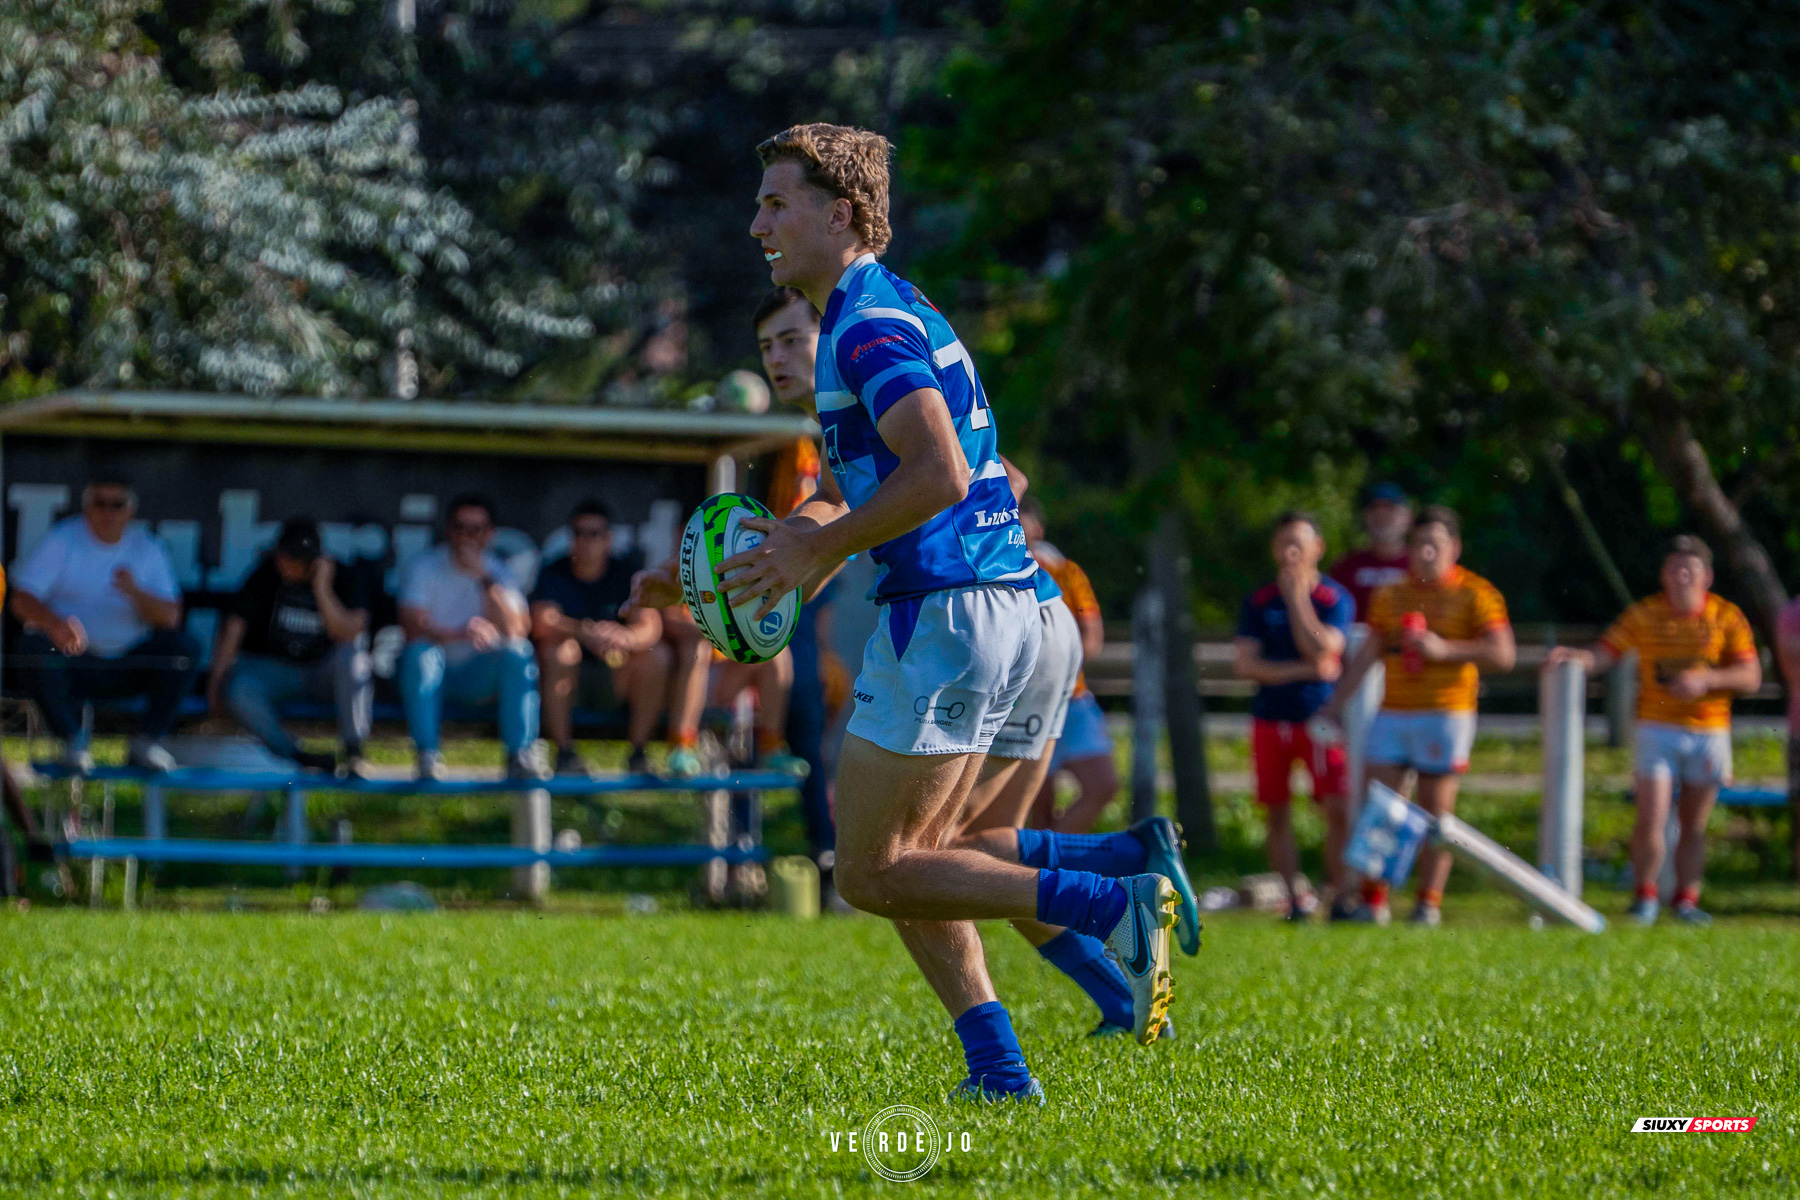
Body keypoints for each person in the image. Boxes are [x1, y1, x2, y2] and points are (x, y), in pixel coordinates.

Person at [630, 122, 1189, 1101]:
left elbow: (941, 471)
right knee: (924, 862)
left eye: (775, 202)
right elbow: (854, 496)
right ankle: (1012, 1053)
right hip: (995, 605)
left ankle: (1112, 899)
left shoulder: (866, 324)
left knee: (873, 873)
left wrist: (818, 547)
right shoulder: (880, 311)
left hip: (946, 611)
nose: (755, 221)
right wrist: (714, 578)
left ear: (838, 213)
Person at [1549, 536, 1760, 925]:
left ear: (1707, 576)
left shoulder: (1727, 617)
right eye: (1674, 569)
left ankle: (1685, 900)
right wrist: (1578, 658)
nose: (1681, 577)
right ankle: (1644, 897)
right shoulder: (1645, 614)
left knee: (1695, 824)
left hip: (1709, 730)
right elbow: (1606, 652)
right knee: (1652, 815)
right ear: (1663, 574)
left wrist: (1707, 679)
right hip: (1657, 727)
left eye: (1690, 570)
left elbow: (1750, 676)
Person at [1327, 505, 1515, 926]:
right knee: (1381, 807)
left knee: (1435, 813)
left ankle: (1427, 903)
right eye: (1419, 544)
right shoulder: (1391, 595)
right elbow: (1370, 652)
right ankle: (1374, 901)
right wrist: (1337, 702)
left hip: (1446, 713)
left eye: (1435, 544)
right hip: (1393, 711)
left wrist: (1445, 650)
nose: (1426, 553)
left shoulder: (1476, 593)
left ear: (1455, 548)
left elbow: (1504, 654)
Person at [10, 471, 199, 772]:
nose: (108, 512)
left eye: (117, 504)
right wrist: (55, 624)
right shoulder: (63, 539)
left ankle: (147, 743)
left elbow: (171, 617)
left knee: (183, 649)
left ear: (131, 510)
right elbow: (21, 599)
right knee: (32, 646)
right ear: (86, 506)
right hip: (75, 663)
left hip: (127, 664)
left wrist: (136, 593)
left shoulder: (147, 548)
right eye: (100, 503)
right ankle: (72, 742)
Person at [753, 286, 841, 880]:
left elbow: (996, 479)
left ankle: (1113, 896)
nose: (776, 358)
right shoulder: (829, 425)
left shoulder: (870, 395)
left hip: (969, 610)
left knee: (891, 862)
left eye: (792, 340)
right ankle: (1124, 871)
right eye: (766, 346)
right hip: (949, 611)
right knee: (886, 864)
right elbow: (835, 508)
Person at [1232, 513, 1355, 920]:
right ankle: (1295, 900)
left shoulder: (1335, 599)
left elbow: (1323, 649)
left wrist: (1299, 599)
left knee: (1335, 807)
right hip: (1270, 718)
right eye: (1283, 544)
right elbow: (1246, 665)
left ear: (1318, 547)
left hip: (1318, 719)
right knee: (1277, 809)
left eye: (1298, 545)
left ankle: (1338, 896)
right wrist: (1303, 669)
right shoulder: (1259, 600)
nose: (1290, 554)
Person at [209, 518, 372, 774]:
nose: (285, 563)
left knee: (355, 661)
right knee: (238, 687)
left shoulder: (343, 575)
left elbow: (349, 633)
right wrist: (215, 680)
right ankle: (295, 755)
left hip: (324, 673)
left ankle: (354, 752)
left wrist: (322, 587)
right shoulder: (266, 573)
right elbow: (234, 626)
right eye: (283, 555)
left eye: (295, 558)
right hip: (278, 672)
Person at [397, 494, 540, 781]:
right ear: (449, 530)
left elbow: (517, 631)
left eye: (476, 529)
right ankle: (427, 756)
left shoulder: (499, 572)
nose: (467, 537)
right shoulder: (424, 566)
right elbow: (411, 628)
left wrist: (484, 580)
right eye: (460, 528)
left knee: (518, 653)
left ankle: (520, 755)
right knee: (419, 655)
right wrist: (459, 634)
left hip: (478, 677)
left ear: (490, 534)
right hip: (433, 675)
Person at [530, 500, 668, 776]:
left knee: (657, 656)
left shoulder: (627, 573)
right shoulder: (554, 571)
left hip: (616, 680)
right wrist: (586, 632)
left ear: (608, 539)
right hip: (570, 683)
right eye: (579, 533)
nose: (586, 541)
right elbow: (541, 621)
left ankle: (639, 754)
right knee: (560, 651)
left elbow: (650, 626)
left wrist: (623, 637)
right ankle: (565, 755)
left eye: (594, 534)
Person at [1018, 497, 1119, 834]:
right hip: (1021, 705)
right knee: (1037, 807)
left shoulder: (1065, 572)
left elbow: (1092, 636)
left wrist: (1054, 668)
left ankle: (1051, 862)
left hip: (1071, 699)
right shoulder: (992, 572)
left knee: (1103, 786)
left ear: (1038, 527)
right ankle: (1039, 875)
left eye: (1022, 515)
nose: (1015, 521)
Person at [1329, 483, 1414, 621]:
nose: (1381, 514)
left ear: (1408, 517)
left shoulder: (1419, 565)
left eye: (1390, 508)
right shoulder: (1346, 566)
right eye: (1374, 508)